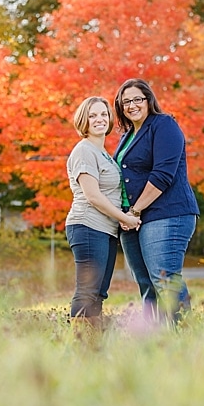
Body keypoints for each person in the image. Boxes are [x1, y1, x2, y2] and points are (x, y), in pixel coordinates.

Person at [112, 78, 199, 324]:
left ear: (148, 100)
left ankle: (184, 333)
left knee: (165, 278)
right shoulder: (128, 135)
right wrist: (125, 215)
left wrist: (136, 211)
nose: (132, 105)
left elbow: (162, 174)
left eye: (137, 99)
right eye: (125, 101)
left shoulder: (164, 125)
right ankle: (155, 338)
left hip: (166, 213)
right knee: (146, 284)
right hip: (133, 220)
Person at [65, 96, 141, 332]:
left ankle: (92, 344)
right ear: (83, 121)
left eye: (103, 114)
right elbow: (93, 196)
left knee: (99, 291)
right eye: (93, 115)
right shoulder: (84, 151)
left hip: (105, 229)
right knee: (88, 290)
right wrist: (125, 218)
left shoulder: (104, 153)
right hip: (87, 226)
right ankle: (77, 342)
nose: (99, 119)